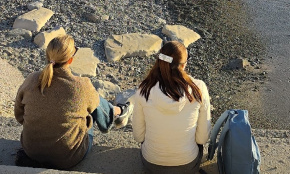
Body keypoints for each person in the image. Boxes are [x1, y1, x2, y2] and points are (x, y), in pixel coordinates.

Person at [14, 35, 132, 170]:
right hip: (68, 157)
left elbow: (19, 116)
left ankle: (114, 113)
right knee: (92, 104)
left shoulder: (31, 79)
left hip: (32, 151)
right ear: (70, 59)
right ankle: (117, 113)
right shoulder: (81, 85)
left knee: (86, 101)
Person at [132, 41, 211, 174]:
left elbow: (138, 137)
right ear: (183, 64)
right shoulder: (198, 88)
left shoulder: (144, 89)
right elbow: (202, 139)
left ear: (160, 61)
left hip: (152, 164)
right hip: (187, 164)